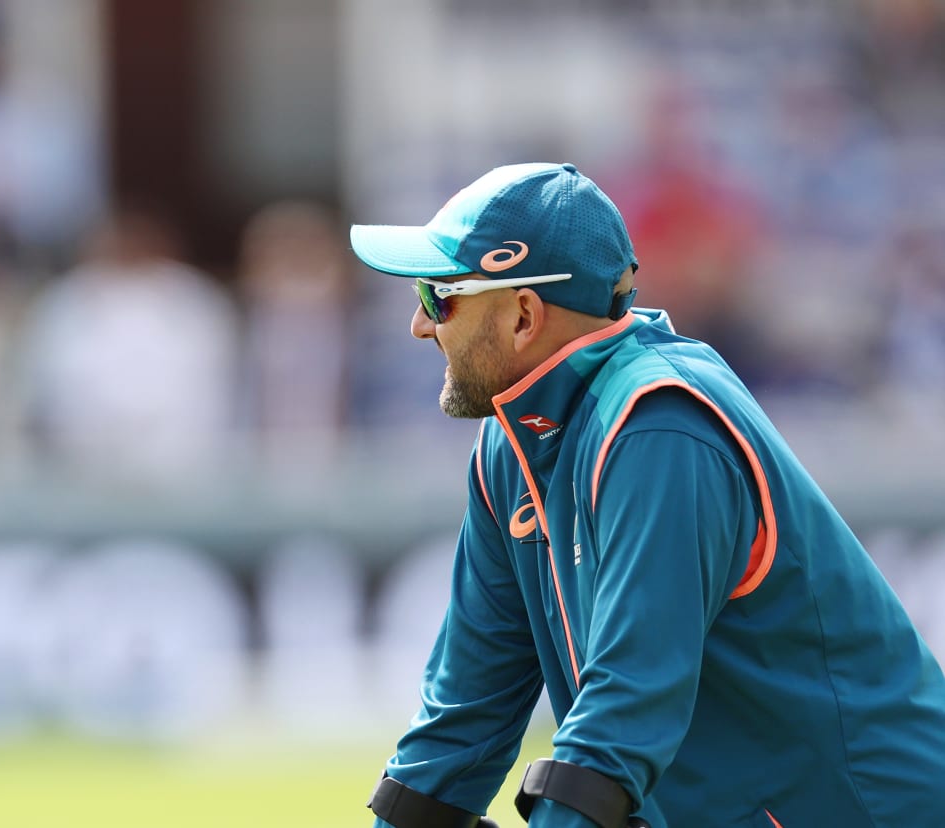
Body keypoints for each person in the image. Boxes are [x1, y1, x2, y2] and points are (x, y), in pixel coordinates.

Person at [350, 163, 945, 827]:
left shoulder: (658, 428)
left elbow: (622, 719)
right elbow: (461, 721)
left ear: (523, 315)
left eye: (439, 297)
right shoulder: (509, 446)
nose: (420, 326)